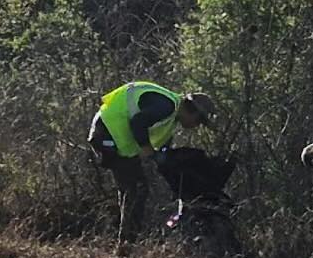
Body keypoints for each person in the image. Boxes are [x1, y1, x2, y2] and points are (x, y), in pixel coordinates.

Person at [87, 84, 218, 242]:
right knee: (136, 189)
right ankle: (127, 244)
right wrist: (149, 151)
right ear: (192, 111)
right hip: (107, 131)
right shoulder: (167, 107)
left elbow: (160, 144)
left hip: (114, 137)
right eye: (199, 121)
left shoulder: (171, 117)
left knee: (132, 188)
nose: (196, 126)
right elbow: (137, 123)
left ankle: (123, 240)